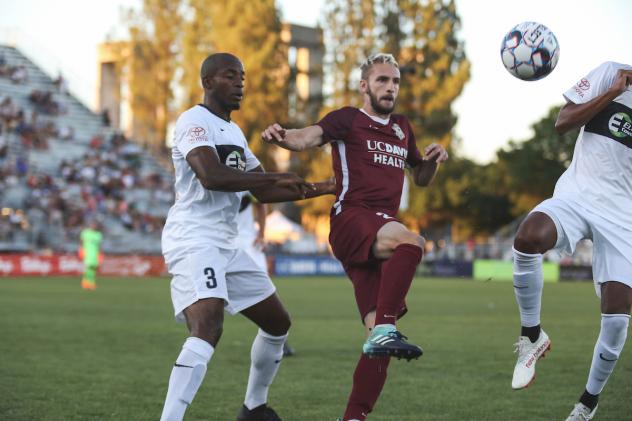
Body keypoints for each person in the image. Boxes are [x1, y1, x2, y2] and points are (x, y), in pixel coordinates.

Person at [262, 53, 448, 421]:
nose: (390, 87)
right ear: (364, 86)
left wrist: (433, 161)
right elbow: (307, 138)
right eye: (382, 80)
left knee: (378, 347)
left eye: (395, 81)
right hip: (352, 218)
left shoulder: (402, 128)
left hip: (377, 233)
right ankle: (385, 327)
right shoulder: (348, 119)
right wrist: (282, 136)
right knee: (413, 242)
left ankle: (353, 417)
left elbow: (421, 178)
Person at [159, 52, 335, 421]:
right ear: (208, 82)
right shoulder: (193, 120)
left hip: (226, 243)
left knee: (277, 323)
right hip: (194, 238)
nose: (241, 82)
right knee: (208, 325)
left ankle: (253, 408)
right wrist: (272, 177)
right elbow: (212, 175)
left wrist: (328, 186)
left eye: (242, 76)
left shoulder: (235, 133)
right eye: (230, 75)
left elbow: (266, 193)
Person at [510, 62, 632, 420]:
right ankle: (532, 335)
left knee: (617, 319)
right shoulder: (612, 73)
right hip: (578, 194)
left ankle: (587, 405)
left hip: (623, 214)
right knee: (528, 236)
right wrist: (612, 92)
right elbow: (563, 122)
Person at [234, 195, 295, 357]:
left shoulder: (245, 173)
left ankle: (279, 340)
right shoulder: (217, 175)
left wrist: (261, 233)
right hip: (229, 242)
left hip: (248, 243)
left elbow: (261, 203)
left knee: (266, 293)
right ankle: (202, 340)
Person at [79, 220, 103, 290]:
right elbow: (81, 242)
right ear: (90, 225)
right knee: (88, 267)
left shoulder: (99, 234)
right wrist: (81, 251)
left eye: (95, 225)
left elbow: (99, 245)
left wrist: (100, 254)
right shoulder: (85, 233)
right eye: (93, 225)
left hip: (95, 253)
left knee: (93, 269)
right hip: (87, 252)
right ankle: (89, 283)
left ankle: (87, 283)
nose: (94, 226)